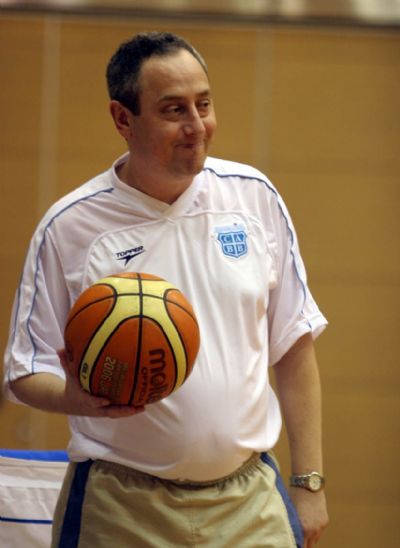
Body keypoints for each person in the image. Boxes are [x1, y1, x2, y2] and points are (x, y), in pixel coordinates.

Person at [4, 31, 329, 547]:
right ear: (123, 119)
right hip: (121, 501)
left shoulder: (254, 198)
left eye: (204, 104)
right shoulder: (69, 226)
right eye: (174, 110)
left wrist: (309, 482)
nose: (197, 126)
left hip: (249, 497)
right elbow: (24, 370)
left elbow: (293, 346)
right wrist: (77, 399)